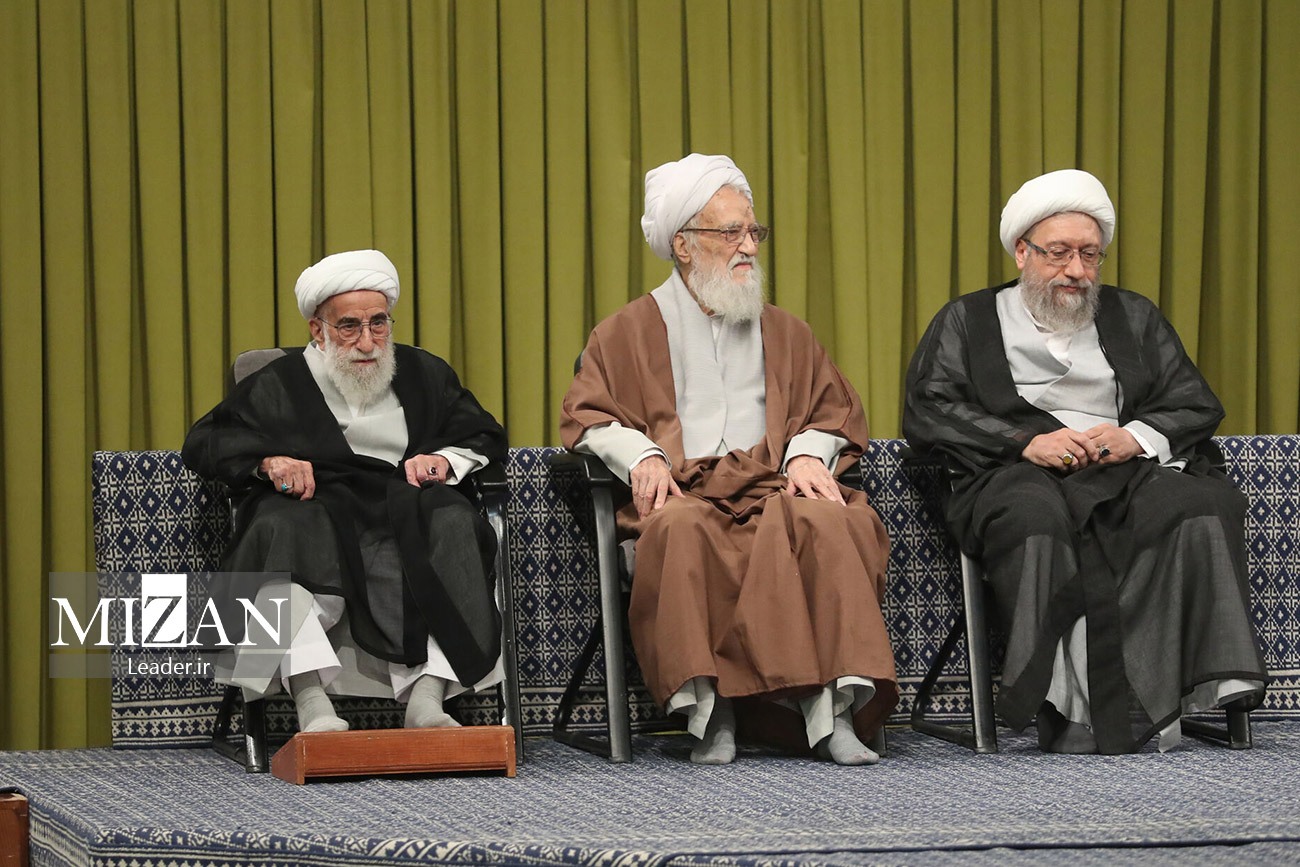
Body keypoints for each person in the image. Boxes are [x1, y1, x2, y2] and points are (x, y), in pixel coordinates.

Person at [903, 169, 1268, 754]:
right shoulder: (967, 319)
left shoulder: (1134, 316)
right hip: (1012, 472)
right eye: (1059, 253)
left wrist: (1136, 437)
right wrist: (1022, 442)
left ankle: (1178, 693)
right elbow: (931, 407)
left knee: (1200, 502)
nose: (1076, 270)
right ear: (1022, 252)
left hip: (1121, 470)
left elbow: (1193, 401)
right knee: (1035, 517)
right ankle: (1064, 709)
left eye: (1090, 255)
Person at [561, 154, 898, 765]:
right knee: (682, 529)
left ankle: (834, 712)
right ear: (683, 245)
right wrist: (643, 455)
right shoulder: (624, 332)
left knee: (830, 521)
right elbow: (590, 417)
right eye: (731, 232)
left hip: (773, 489)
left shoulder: (788, 331)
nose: (749, 246)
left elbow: (831, 412)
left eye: (753, 231)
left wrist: (805, 456)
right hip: (684, 493)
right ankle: (712, 713)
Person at [183, 249, 508, 734]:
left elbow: (482, 433)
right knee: (280, 526)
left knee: (455, 521)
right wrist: (270, 462)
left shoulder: (424, 373)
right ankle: (310, 699)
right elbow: (205, 441)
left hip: (403, 502)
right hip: (315, 505)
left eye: (379, 324)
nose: (368, 342)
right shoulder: (280, 384)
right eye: (349, 327)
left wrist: (443, 460)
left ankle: (427, 697)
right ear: (318, 330)